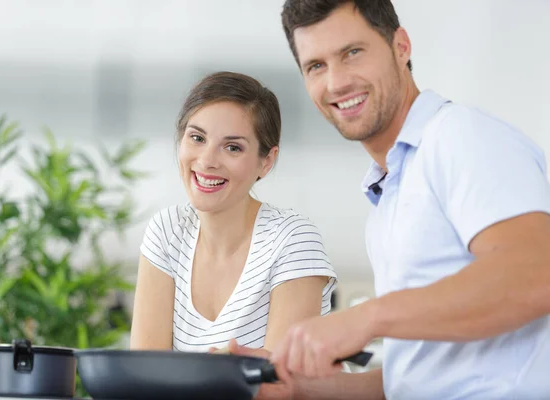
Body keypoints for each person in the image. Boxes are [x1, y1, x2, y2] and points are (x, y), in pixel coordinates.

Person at [229, 1, 550, 399]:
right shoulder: (390, 195)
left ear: (401, 47)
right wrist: (302, 390)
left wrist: (365, 319)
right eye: (316, 66)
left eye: (352, 53)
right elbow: (421, 377)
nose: (337, 82)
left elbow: (536, 276)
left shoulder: (459, 137)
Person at [129, 71, 338, 354]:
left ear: (266, 161)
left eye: (232, 147)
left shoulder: (291, 239)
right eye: (197, 138)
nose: (207, 161)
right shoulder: (167, 231)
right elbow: (144, 373)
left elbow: (282, 385)